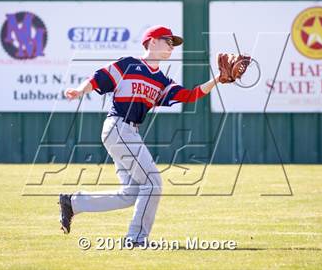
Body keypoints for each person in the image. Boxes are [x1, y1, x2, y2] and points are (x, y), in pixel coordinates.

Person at [59, 25, 221, 246]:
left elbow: (190, 95)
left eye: (174, 44)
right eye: (168, 41)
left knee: (132, 192)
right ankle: (135, 239)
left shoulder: (161, 80)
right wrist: (80, 90)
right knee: (153, 184)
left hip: (128, 132)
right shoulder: (129, 65)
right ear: (152, 41)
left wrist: (218, 79)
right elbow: (99, 78)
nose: (172, 47)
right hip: (118, 127)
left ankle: (73, 203)